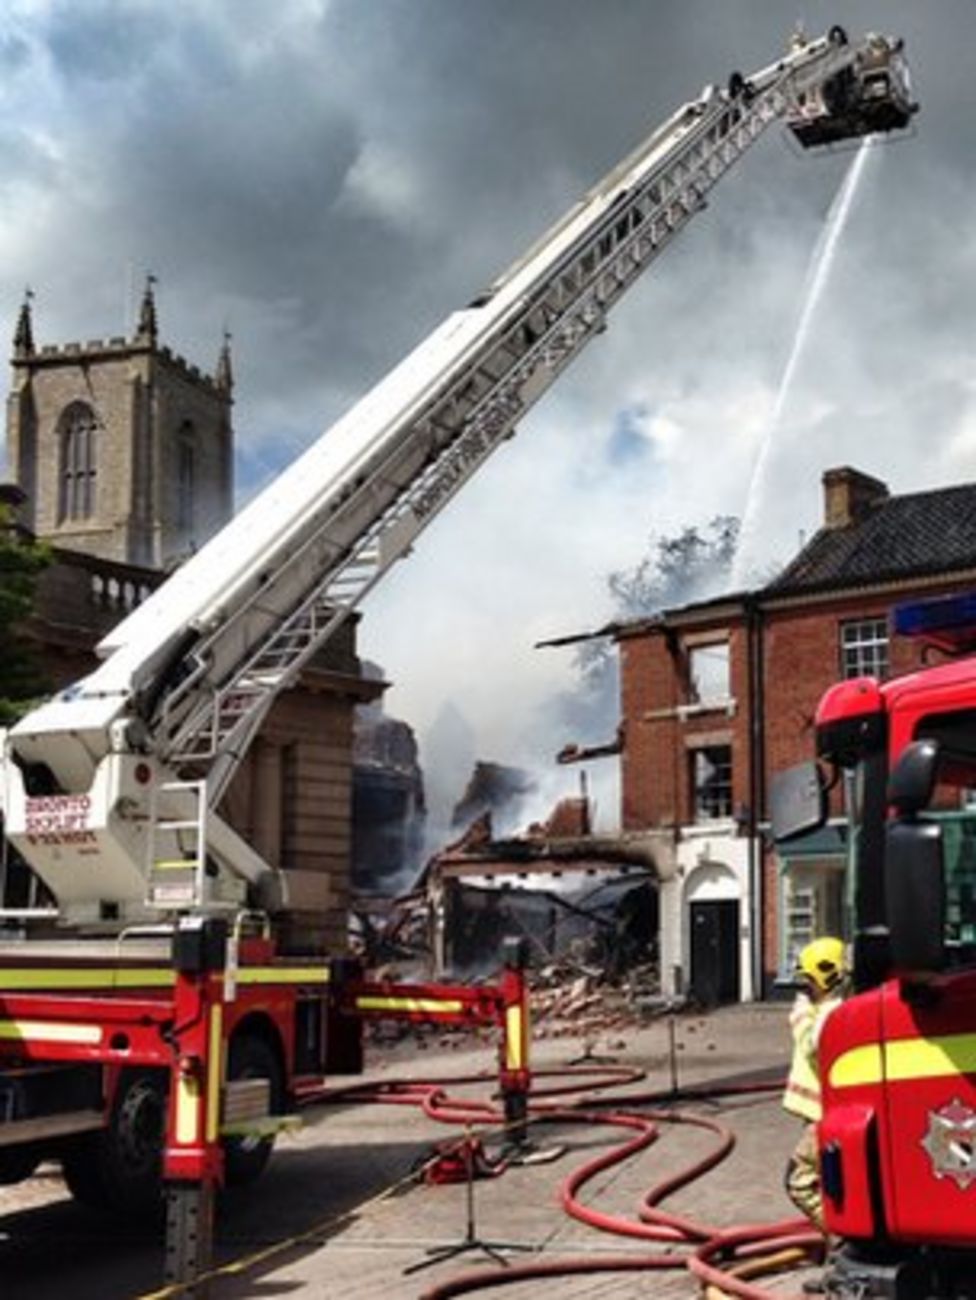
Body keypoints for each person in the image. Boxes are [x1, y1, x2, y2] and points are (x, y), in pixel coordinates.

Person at [783, 937, 848, 1232]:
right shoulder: (828, 1008)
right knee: (829, 1182)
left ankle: (844, 1238)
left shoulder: (828, 1013)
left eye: (809, 981)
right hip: (819, 1113)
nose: (805, 988)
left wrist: (801, 1015)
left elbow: (813, 1047)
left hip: (824, 1115)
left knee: (799, 1182)